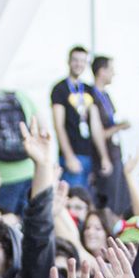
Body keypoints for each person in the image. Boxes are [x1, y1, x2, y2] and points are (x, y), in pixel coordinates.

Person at [0, 87, 38, 215]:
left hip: (2, 177)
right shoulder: (23, 97)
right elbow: (41, 128)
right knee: (28, 224)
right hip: (29, 171)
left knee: (2, 227)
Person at [51, 46, 103, 188]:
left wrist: (103, 156)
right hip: (71, 155)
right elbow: (58, 125)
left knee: (86, 200)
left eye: (82, 61)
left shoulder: (88, 89)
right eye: (75, 60)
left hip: (88, 155)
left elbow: (95, 125)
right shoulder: (60, 89)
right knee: (72, 199)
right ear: (68, 61)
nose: (78, 64)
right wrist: (69, 156)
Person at [88, 54, 130, 216]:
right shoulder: (92, 97)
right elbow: (97, 132)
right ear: (101, 71)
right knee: (109, 205)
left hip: (115, 153)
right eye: (111, 69)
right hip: (105, 158)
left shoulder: (106, 95)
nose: (114, 73)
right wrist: (120, 127)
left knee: (121, 202)